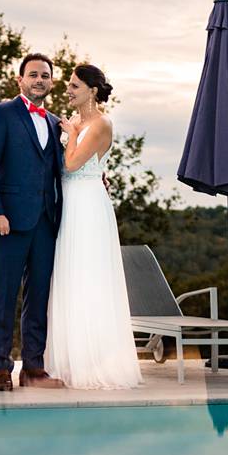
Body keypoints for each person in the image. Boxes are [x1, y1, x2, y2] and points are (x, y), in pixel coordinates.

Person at [45, 64, 142, 389]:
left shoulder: (100, 124)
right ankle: (68, 360)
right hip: (68, 200)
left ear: (92, 90)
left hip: (86, 204)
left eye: (74, 86)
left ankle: (92, 363)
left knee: (88, 277)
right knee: (68, 275)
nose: (68, 90)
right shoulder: (76, 122)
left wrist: (71, 134)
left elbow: (71, 163)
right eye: (69, 85)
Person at [0, 54, 64, 392]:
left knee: (38, 295)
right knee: (4, 293)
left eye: (45, 75)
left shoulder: (56, 123)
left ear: (51, 82)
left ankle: (33, 366)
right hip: (8, 220)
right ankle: (1, 366)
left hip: (46, 221)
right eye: (33, 75)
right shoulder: (1, 114)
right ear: (20, 80)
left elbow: (61, 170)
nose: (39, 80)